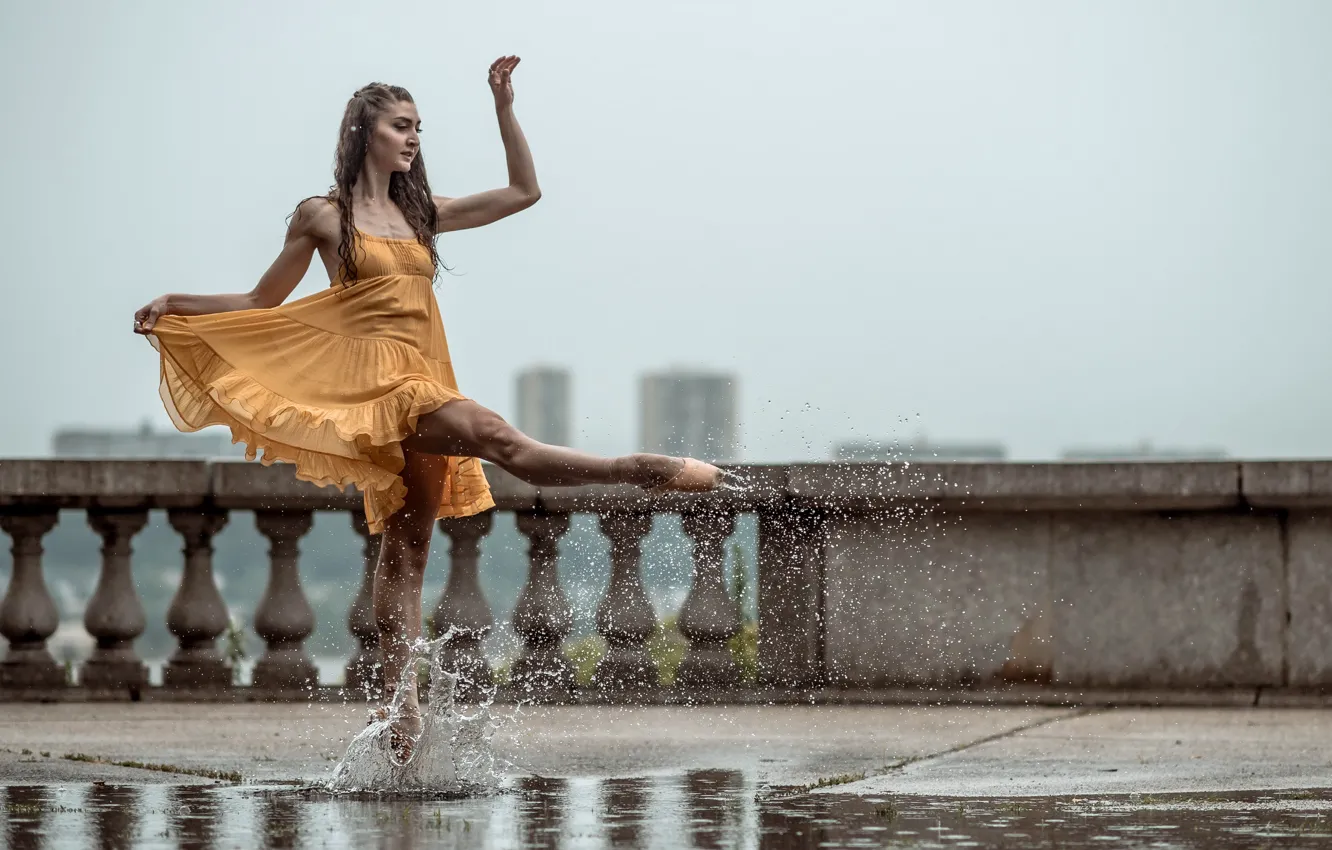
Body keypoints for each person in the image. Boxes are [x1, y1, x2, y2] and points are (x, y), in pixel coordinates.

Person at [133, 57, 721, 761]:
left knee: (408, 549)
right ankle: (635, 468)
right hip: (380, 388)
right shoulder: (323, 215)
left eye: (418, 127)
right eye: (401, 125)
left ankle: (399, 706)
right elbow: (262, 302)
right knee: (500, 439)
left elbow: (524, 191)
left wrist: (504, 106)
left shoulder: (419, 214)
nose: (413, 138)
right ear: (364, 131)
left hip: (425, 374)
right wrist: (177, 302)